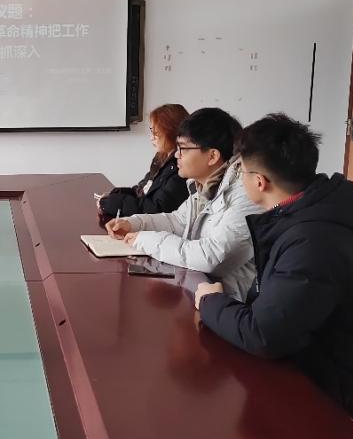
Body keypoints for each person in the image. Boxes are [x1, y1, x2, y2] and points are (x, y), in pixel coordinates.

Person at [194, 113, 353, 439]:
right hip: (322, 372)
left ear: (259, 182)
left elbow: (263, 334)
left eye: (240, 172)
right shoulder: (303, 215)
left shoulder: (313, 240)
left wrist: (211, 301)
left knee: (223, 424)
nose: (239, 180)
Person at [107, 107, 259, 301]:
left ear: (212, 156)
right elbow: (177, 221)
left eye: (183, 149)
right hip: (199, 289)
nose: (177, 155)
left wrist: (144, 239)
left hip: (230, 303)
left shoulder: (244, 193)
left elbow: (211, 256)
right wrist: (134, 223)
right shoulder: (205, 184)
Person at [97, 104, 189, 221]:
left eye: (156, 133)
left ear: (172, 132)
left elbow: (156, 210)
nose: (151, 138)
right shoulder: (161, 158)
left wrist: (113, 203)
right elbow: (143, 190)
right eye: (152, 132)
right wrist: (115, 195)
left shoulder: (181, 169)